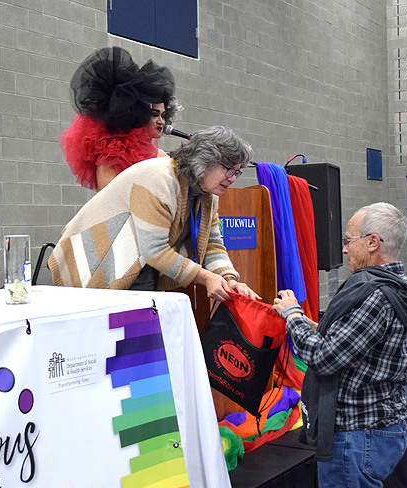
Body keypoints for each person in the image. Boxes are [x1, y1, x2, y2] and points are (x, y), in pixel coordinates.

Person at [272, 202, 407, 488]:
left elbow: (324, 358)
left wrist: (292, 315)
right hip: (377, 427)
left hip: (358, 434)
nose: (344, 249)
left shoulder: (374, 296)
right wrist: (317, 327)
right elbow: (362, 345)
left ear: (372, 242)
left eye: (348, 240)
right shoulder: (394, 286)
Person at [48, 125, 260, 302]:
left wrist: (229, 278)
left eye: (237, 172)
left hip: (139, 265)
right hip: (101, 263)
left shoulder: (208, 194)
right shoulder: (158, 179)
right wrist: (205, 277)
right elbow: (154, 251)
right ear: (205, 161)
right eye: (229, 170)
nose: (233, 178)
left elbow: (212, 243)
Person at [60, 46, 181, 191]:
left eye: (163, 115)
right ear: (139, 113)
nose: (161, 121)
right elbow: (110, 198)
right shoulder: (114, 155)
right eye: (155, 114)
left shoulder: (161, 157)